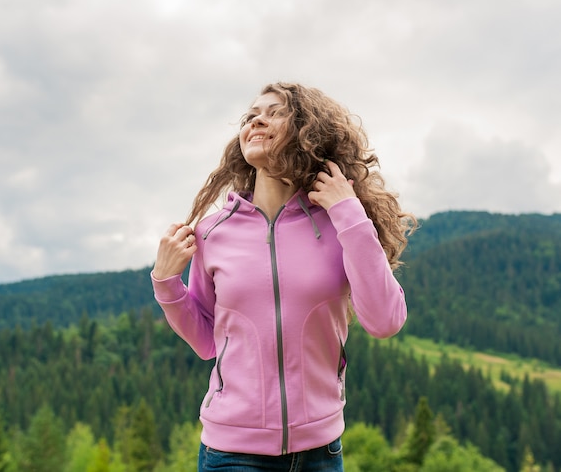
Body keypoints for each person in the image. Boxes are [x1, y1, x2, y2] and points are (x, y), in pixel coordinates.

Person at [151, 82, 417, 471]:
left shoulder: (340, 220)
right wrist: (166, 284)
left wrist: (350, 213)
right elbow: (208, 340)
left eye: (275, 112)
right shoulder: (213, 232)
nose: (257, 119)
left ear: (309, 132)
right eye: (251, 115)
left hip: (320, 453)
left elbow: (384, 321)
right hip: (231, 454)